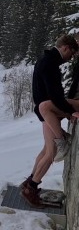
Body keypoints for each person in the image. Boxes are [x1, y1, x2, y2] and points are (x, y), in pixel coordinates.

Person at [20, 34, 79, 208]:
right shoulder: (50, 63)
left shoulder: (47, 60)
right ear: (65, 48)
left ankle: (30, 183)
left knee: (47, 149)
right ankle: (31, 188)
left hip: (47, 111)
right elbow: (54, 95)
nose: (71, 57)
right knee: (51, 151)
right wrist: (69, 111)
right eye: (72, 52)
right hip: (48, 111)